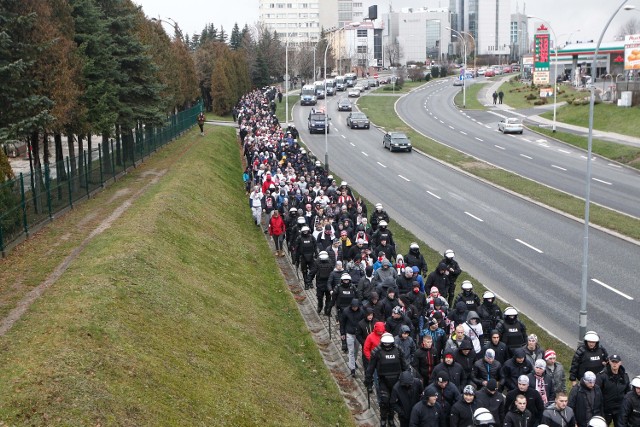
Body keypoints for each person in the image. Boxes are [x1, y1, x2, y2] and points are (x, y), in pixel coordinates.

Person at [365, 332, 409, 427]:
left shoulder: (398, 350)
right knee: (384, 401)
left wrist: (408, 379)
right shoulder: (377, 351)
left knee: (393, 401)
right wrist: (368, 381)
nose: (387, 346)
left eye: (389, 344)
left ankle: (391, 418)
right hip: (383, 380)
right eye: (385, 344)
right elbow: (370, 368)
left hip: (396, 380)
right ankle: (383, 418)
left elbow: (405, 366)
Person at [596, 354, 630, 427]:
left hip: (619, 410)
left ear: (620, 363)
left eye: (616, 362)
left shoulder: (625, 376)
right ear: (609, 362)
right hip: (605, 409)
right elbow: (596, 392)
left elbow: (628, 393)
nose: (614, 364)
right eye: (613, 361)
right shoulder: (602, 376)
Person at [332, 273, 356, 352]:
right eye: (344, 280)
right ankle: (344, 343)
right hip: (341, 311)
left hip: (351, 311)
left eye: (347, 280)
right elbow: (333, 298)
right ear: (342, 280)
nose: (346, 281)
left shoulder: (353, 287)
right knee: (342, 327)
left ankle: (350, 341)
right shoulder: (338, 288)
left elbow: (357, 297)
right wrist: (329, 308)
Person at [341, 298, 364, 377]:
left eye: (356, 307)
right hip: (349, 334)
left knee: (356, 351)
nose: (355, 308)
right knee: (351, 351)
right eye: (354, 307)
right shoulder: (346, 311)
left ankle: (353, 361)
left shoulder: (361, 312)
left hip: (357, 334)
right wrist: (342, 333)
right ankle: (352, 369)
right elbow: (342, 323)